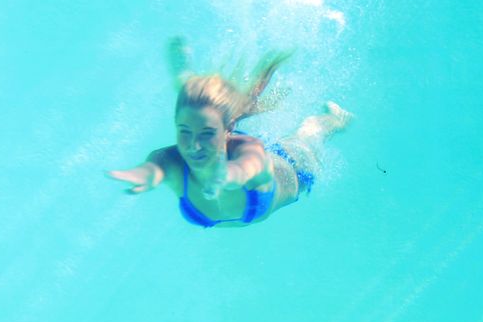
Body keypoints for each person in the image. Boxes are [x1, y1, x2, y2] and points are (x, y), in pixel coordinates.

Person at [106, 37, 352, 228]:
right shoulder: (170, 160)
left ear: (229, 129)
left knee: (309, 134)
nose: (193, 145)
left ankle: (334, 119)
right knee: (196, 104)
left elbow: (247, 168)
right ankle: (185, 78)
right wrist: (145, 174)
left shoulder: (251, 152)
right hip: (222, 139)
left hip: (293, 165)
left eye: (205, 134)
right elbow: (155, 167)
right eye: (184, 131)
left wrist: (225, 176)